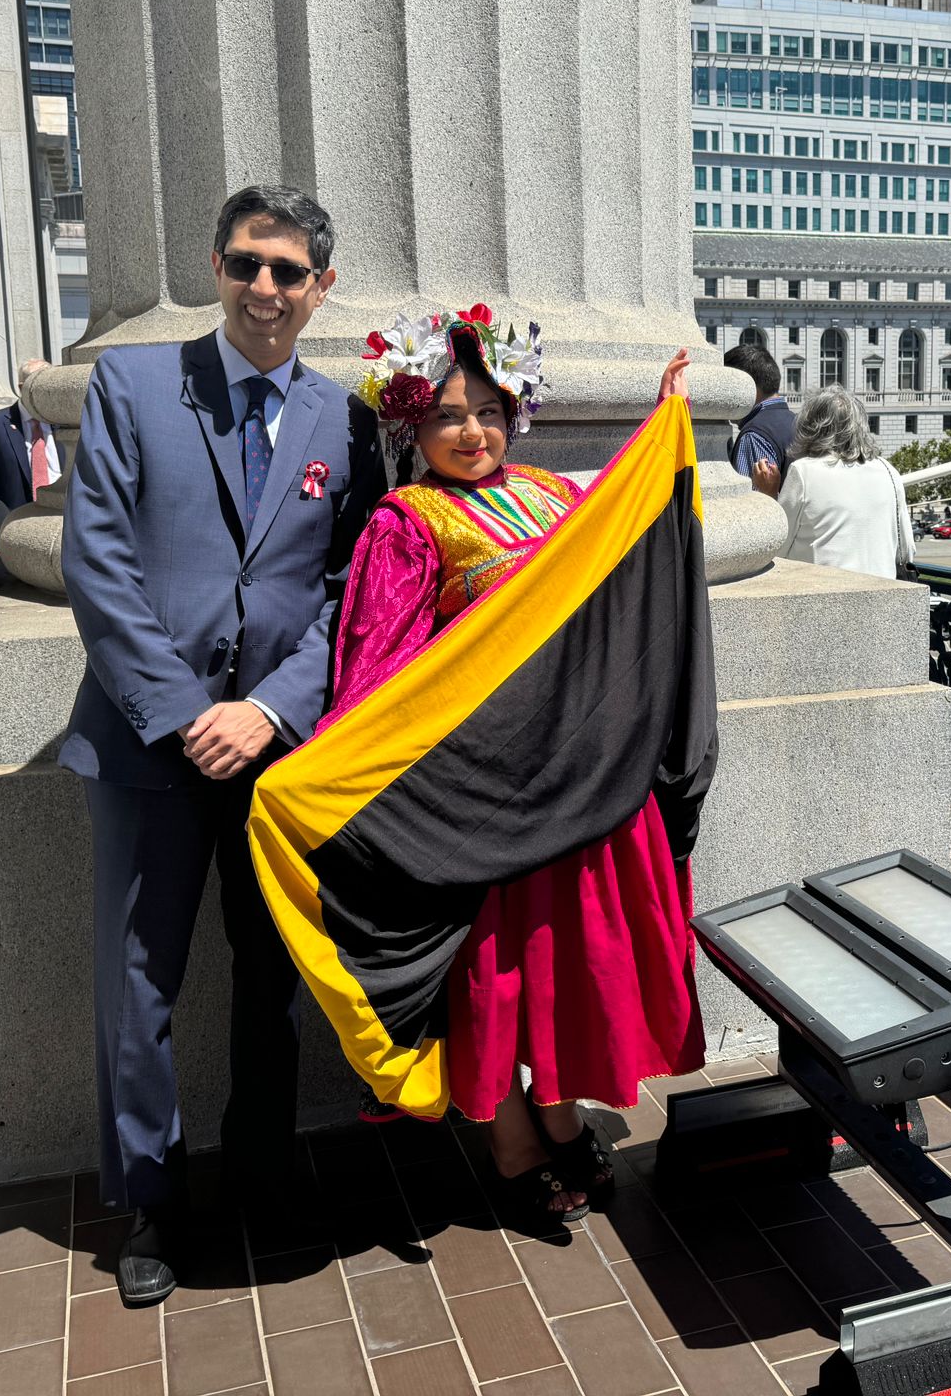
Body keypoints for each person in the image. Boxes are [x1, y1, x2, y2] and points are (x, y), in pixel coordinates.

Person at [249, 309, 717, 1235]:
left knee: (566, 970)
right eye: (451, 416)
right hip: (485, 796)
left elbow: (613, 579)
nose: (474, 433)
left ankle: (558, 1109)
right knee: (495, 977)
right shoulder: (405, 522)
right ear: (411, 427)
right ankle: (509, 1137)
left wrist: (661, 439)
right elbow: (377, 674)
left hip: (576, 784)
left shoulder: (549, 493)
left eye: (492, 412)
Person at [59, 185, 385, 1306]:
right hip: (149, 745)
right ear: (215, 264)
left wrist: (271, 711)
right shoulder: (136, 385)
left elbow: (353, 595)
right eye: (247, 263)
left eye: (288, 272)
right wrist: (184, 709)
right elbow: (97, 562)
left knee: (269, 976)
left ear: (319, 289)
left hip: (278, 755)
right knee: (136, 981)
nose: (264, 289)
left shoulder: (347, 424)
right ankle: (150, 1198)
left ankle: (262, 1168)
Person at [749, 384, 917, 580]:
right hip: (883, 596)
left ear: (810, 427)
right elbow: (906, 550)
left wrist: (768, 495)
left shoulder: (804, 471)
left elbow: (778, 547)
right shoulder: (888, 471)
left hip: (825, 597)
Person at [0, 358, 62, 510]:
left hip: (64, 513)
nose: (45, 391)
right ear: (22, 387)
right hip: (18, 518)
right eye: (37, 385)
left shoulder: (65, 423)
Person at [724, 341, 793, 484]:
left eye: (727, 387)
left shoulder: (754, 436)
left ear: (747, 386)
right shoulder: (799, 422)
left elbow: (750, 503)